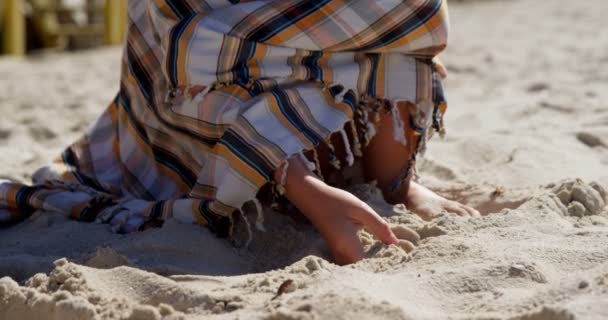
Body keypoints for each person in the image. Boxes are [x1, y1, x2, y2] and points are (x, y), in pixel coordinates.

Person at [0, 0, 479, 265]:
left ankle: (393, 180)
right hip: (200, 124)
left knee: (413, 8)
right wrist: (306, 190)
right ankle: (296, 181)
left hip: (309, 91)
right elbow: (179, 81)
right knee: (193, 49)